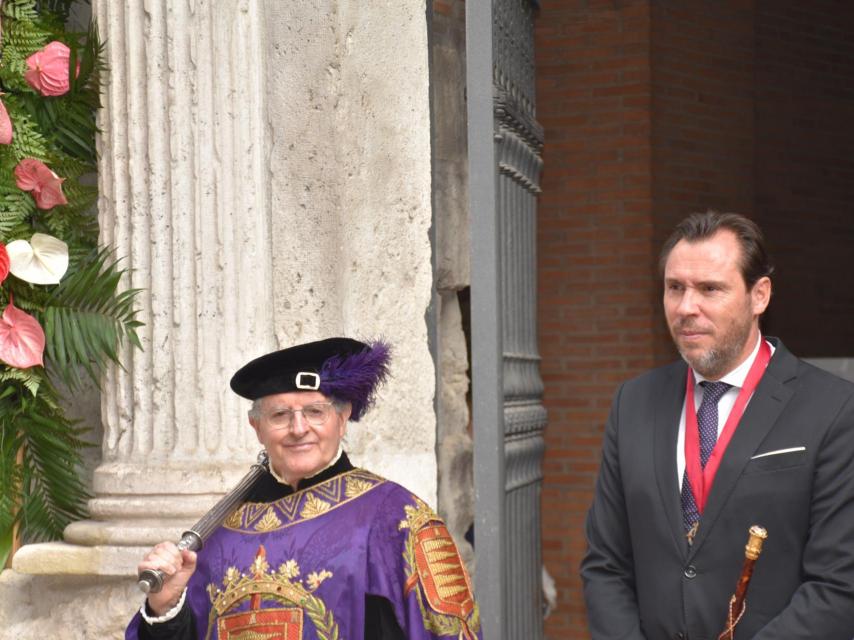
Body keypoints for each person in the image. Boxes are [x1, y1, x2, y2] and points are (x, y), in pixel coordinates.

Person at [581, 212, 854, 639]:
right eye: (675, 288)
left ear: (759, 295)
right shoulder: (632, 403)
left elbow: (840, 585)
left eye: (710, 289)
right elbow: (606, 565)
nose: (687, 307)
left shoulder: (834, 409)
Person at [126, 337, 481, 640]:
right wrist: (166, 606)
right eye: (280, 415)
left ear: (342, 419)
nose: (299, 429)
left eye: (315, 412)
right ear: (257, 428)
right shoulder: (221, 534)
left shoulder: (397, 519)